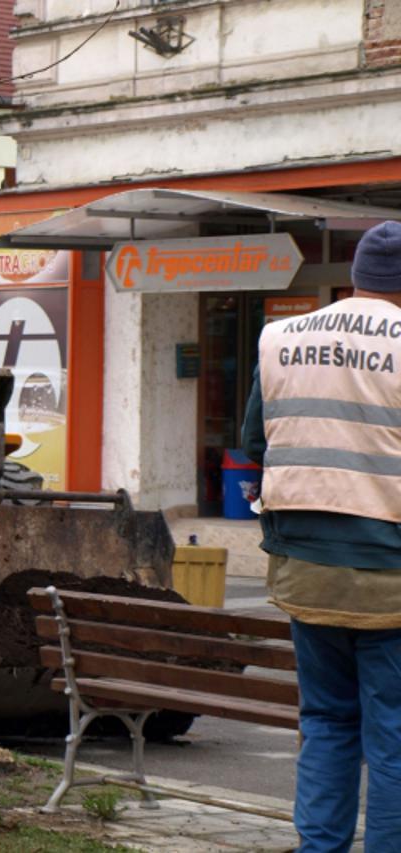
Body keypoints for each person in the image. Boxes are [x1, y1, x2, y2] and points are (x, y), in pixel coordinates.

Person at [241, 220, 401, 851]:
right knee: (393, 734)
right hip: (390, 575)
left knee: (328, 720)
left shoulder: (282, 338)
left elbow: (255, 444)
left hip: (305, 571)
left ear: (355, 277)